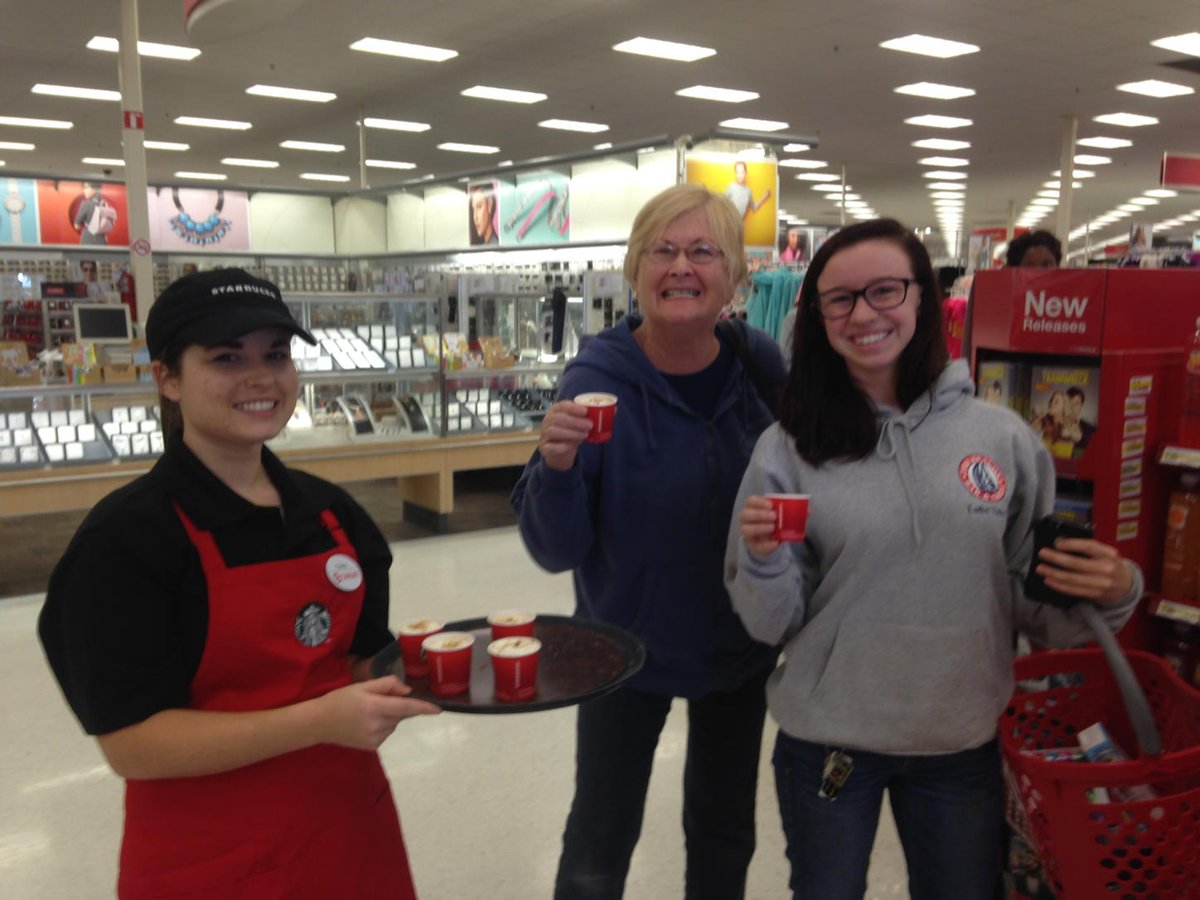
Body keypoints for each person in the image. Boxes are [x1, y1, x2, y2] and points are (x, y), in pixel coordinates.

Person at [724, 218, 1142, 900]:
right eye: (840, 299)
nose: (864, 314)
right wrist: (765, 561)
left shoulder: (1001, 438)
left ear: (922, 297)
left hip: (958, 744)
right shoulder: (788, 446)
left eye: (884, 290)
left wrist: (1117, 588)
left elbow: (1040, 613)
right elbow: (769, 623)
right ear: (819, 315)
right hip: (831, 743)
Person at [37, 268, 440, 900]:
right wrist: (315, 721)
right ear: (168, 378)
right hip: (210, 860)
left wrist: (432, 669)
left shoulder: (333, 516)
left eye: (276, 355)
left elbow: (357, 660)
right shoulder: (126, 541)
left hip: (349, 834)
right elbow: (131, 745)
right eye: (227, 357)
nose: (260, 377)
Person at [511, 182, 785, 899]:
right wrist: (558, 467)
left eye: (703, 251)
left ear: (734, 277)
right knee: (600, 838)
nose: (681, 267)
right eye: (662, 250)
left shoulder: (761, 368)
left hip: (737, 646)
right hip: (622, 649)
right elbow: (553, 548)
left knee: (725, 834)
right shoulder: (598, 380)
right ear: (636, 269)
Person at [73, 181, 115, 245]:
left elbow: (76, 226)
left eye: (86, 187)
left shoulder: (86, 204)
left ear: (94, 188)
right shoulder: (104, 204)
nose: (84, 190)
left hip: (88, 240)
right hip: (102, 241)